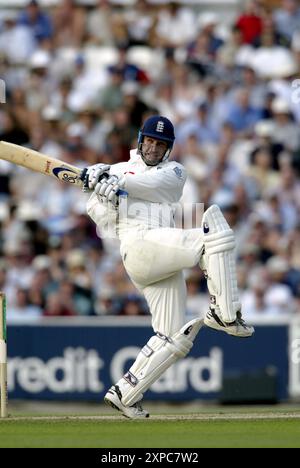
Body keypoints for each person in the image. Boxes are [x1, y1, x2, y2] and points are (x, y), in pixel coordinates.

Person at [84, 115, 254, 419]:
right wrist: (103, 199)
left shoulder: (174, 172)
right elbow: (100, 217)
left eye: (159, 144)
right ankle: (224, 312)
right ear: (140, 141)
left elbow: (155, 186)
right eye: (148, 141)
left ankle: (125, 393)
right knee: (213, 236)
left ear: (168, 148)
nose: (152, 147)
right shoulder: (117, 170)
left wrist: (113, 181)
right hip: (139, 247)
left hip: (158, 255)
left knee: (172, 335)